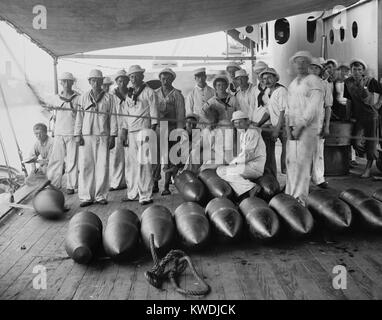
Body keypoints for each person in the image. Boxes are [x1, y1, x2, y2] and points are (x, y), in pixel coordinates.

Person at [285, 51, 324, 205]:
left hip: (307, 129)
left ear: (309, 64)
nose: (300, 65)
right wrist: (289, 128)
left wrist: (300, 126)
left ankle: (300, 199)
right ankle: (289, 194)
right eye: (297, 62)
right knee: (291, 161)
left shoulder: (314, 81)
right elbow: (288, 107)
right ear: (294, 65)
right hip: (293, 128)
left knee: (302, 163)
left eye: (303, 62)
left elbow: (313, 108)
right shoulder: (293, 83)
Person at [74, 69, 117, 207]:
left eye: (98, 80)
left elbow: (113, 117)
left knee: (102, 165)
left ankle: (100, 196)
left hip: (103, 135)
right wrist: (77, 134)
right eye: (93, 80)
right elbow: (79, 117)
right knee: (86, 165)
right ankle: (86, 196)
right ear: (89, 82)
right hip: (87, 135)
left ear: (101, 81)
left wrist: (113, 136)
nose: (96, 83)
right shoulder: (83, 97)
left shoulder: (109, 98)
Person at [120, 65, 158, 205]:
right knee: (131, 164)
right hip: (131, 132)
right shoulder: (129, 94)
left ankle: (146, 195)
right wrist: (123, 131)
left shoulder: (149, 92)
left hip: (144, 130)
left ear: (142, 77)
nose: (133, 79)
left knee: (144, 163)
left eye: (136, 76)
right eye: (131, 76)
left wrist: (151, 131)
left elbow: (154, 114)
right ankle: (133, 193)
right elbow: (125, 114)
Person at [344, 58, 382, 178]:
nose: (356, 72)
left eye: (359, 69)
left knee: (371, 143)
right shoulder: (348, 82)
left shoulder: (370, 81)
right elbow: (349, 100)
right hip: (358, 116)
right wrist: (348, 115)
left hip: (371, 116)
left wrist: (378, 105)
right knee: (356, 142)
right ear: (351, 70)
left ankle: (368, 168)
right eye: (354, 69)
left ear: (363, 71)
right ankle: (375, 155)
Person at [216, 111, 265, 202]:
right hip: (247, 165)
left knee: (222, 171)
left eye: (240, 122)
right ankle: (245, 192)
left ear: (247, 121)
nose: (237, 125)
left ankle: (252, 187)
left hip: (254, 167)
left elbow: (247, 154)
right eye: (235, 123)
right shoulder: (243, 134)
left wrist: (233, 163)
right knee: (221, 170)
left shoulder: (252, 133)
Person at [46, 72, 80, 194]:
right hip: (59, 132)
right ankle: (54, 184)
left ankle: (71, 185)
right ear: (61, 83)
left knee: (72, 160)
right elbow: (49, 114)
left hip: (72, 132)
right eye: (64, 81)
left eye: (68, 81)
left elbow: (80, 117)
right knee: (56, 160)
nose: (66, 84)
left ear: (72, 83)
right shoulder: (56, 98)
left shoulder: (78, 98)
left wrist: (78, 133)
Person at [153, 68, 185, 195]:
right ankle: (154, 183)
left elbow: (181, 115)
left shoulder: (177, 95)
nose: (165, 81)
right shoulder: (154, 93)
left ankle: (166, 186)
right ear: (160, 79)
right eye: (162, 78)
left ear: (172, 79)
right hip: (157, 129)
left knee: (169, 158)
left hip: (171, 129)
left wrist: (179, 133)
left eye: (167, 78)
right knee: (155, 158)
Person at [308, 58, 333, 189]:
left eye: (316, 68)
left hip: (318, 123)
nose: (313, 70)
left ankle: (319, 178)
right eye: (311, 67)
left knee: (318, 151)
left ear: (320, 70)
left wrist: (327, 126)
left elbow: (328, 106)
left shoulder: (325, 85)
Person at [258, 67, 287, 177]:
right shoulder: (268, 91)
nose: (267, 81)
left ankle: (293, 188)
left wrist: (276, 130)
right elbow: (268, 112)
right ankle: (272, 177)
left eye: (270, 77)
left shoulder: (281, 91)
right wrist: (258, 124)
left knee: (286, 159)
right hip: (277, 126)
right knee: (269, 153)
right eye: (264, 79)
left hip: (285, 127)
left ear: (276, 78)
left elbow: (283, 111)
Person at [109, 69, 130, 191]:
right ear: (116, 81)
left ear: (128, 81)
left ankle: (129, 181)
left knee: (130, 156)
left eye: (124, 80)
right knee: (117, 156)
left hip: (130, 128)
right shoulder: (112, 96)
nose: (122, 83)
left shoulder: (132, 93)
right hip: (117, 128)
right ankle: (116, 182)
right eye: (120, 80)